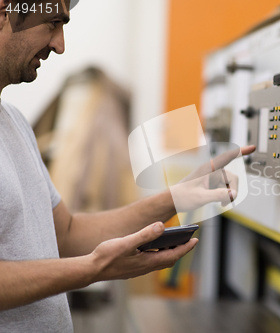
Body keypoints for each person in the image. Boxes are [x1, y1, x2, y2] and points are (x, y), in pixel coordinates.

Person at [0, 1, 255, 331]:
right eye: (52, 23)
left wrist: (176, 198)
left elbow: (66, 234)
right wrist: (96, 268)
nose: (60, 45)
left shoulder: (14, 123)